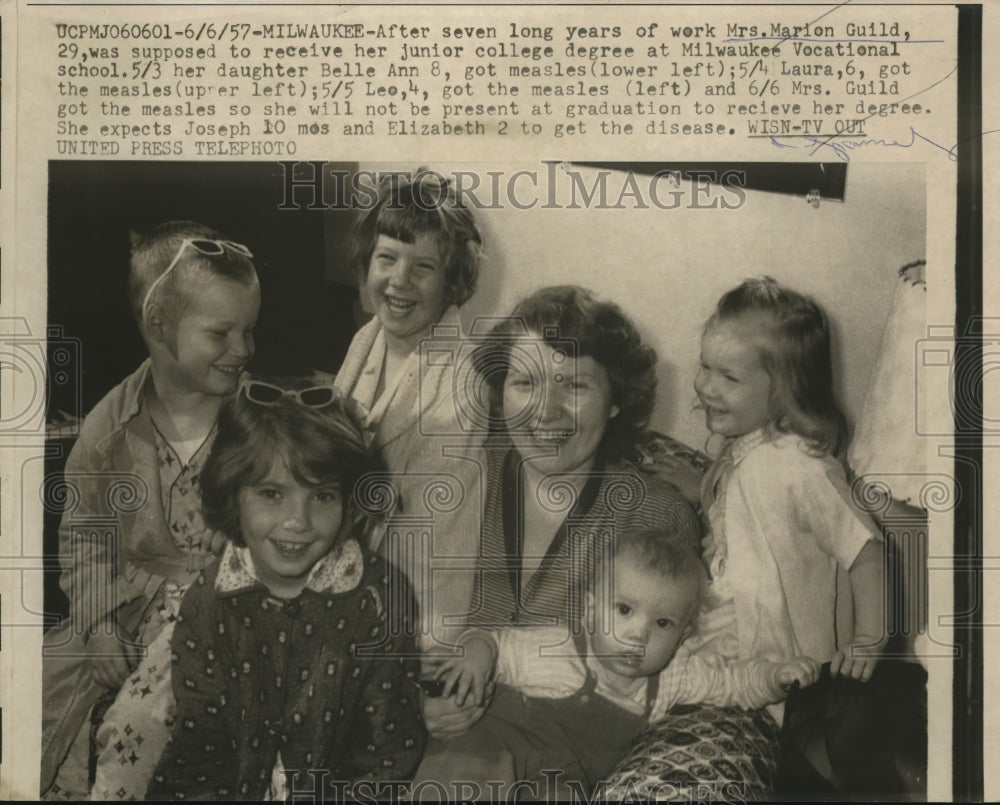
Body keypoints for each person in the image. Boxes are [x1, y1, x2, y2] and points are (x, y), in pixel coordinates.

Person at [609, 276, 886, 800]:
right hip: (740, 646)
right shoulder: (746, 449)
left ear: (782, 391)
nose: (705, 386)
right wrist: (702, 486)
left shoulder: (802, 467)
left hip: (797, 668)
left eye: (728, 377)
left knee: (820, 776)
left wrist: (869, 637)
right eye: (705, 367)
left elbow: (866, 550)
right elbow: (742, 511)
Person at [419, 285, 701, 739]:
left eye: (574, 385)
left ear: (616, 401)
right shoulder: (455, 478)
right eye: (525, 382)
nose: (545, 411)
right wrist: (409, 700)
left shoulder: (657, 518)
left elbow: (675, 674)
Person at [41, 222, 260, 799]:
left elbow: (294, 505)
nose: (243, 349)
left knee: (139, 723)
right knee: (37, 702)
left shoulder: (260, 421)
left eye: (248, 330)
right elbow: (85, 537)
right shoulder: (107, 427)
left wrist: (240, 530)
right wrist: (98, 624)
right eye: (222, 333)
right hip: (128, 602)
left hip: (218, 607)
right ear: (159, 326)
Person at [146, 376, 426, 800]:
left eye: (323, 496)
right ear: (232, 493)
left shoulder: (380, 598)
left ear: (349, 502)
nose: (298, 521)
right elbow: (199, 752)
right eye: (272, 494)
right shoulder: (206, 601)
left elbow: (385, 758)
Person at [412, 526, 819, 800]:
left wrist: (776, 677)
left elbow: (732, 683)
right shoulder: (558, 649)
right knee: (464, 779)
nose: (638, 635)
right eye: (624, 610)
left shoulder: (673, 678)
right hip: (491, 745)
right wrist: (476, 652)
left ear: (683, 636)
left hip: (560, 781)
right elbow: (496, 643)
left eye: (662, 623)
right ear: (591, 610)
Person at [334, 170, 485, 655]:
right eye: (387, 258)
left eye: (423, 267)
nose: (399, 280)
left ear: (451, 282)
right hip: (341, 570)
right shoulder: (368, 338)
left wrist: (423, 657)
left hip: (404, 608)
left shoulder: (463, 387)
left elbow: (441, 545)